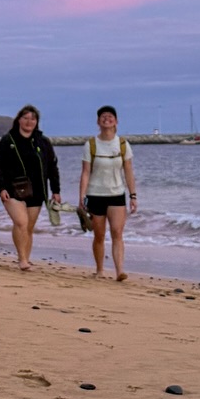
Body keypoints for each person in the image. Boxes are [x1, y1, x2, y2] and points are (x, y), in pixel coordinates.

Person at [0, 104, 62, 271]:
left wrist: (56, 191)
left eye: (33, 118)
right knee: (21, 222)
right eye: (25, 118)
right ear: (19, 120)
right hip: (11, 189)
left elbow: (52, 167)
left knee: (29, 228)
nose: (29, 121)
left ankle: (26, 259)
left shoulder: (43, 142)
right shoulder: (8, 140)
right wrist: (1, 188)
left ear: (36, 122)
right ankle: (22, 259)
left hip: (37, 190)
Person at [78, 105, 137, 280]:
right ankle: (100, 270)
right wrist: (81, 195)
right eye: (103, 116)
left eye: (110, 116)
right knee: (99, 235)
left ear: (116, 121)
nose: (107, 119)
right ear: (98, 122)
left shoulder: (123, 144)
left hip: (117, 194)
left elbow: (128, 171)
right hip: (95, 194)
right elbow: (85, 172)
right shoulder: (91, 145)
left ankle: (120, 271)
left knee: (117, 232)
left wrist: (133, 195)